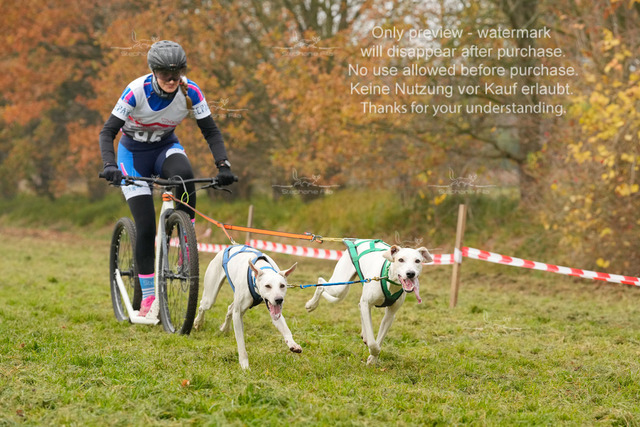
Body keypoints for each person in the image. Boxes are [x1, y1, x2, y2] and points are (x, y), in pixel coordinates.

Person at [99, 40, 235, 317]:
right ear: (153, 71)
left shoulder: (190, 91)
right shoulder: (136, 91)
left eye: (177, 74)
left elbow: (210, 131)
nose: (172, 80)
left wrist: (223, 165)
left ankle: (187, 241)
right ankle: (148, 296)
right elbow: (107, 132)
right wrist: (109, 165)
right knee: (146, 226)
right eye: (165, 74)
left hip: (164, 148)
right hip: (132, 155)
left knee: (184, 176)